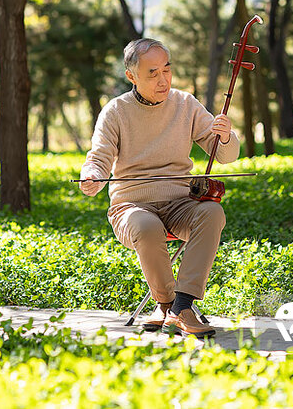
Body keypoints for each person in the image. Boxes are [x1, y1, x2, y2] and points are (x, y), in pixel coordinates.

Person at [79, 38, 240, 338]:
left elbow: (225, 154)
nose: (163, 79)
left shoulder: (185, 104)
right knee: (146, 224)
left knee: (212, 213)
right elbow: (98, 159)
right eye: (152, 72)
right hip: (131, 207)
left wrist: (227, 136)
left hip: (180, 203)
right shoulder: (115, 111)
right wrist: (92, 177)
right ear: (132, 76)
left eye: (167, 69)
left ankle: (180, 306)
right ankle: (167, 304)